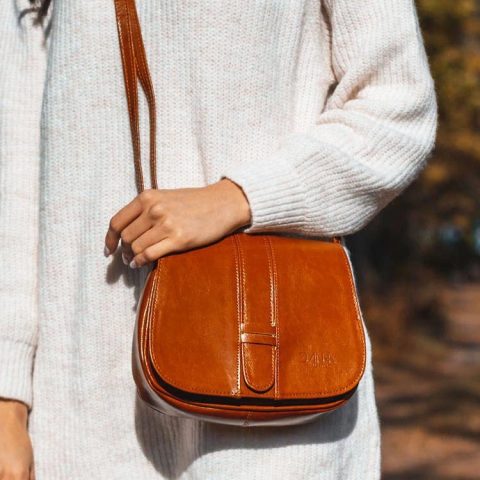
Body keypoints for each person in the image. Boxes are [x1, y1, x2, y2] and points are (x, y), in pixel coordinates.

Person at [0, 0, 437, 478]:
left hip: (272, 405)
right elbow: (13, 162)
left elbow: (396, 107)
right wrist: (7, 393)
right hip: (79, 415)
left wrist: (239, 199)